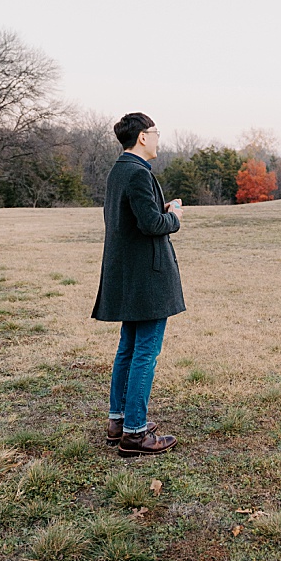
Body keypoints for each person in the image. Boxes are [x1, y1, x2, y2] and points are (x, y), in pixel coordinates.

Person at [93, 112, 186, 457]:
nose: (159, 138)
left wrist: (158, 209)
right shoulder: (137, 173)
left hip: (128, 275)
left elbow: (135, 218)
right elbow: (150, 225)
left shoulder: (121, 170)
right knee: (144, 351)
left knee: (128, 349)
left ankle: (119, 422)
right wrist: (173, 216)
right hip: (146, 278)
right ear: (143, 137)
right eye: (156, 132)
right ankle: (135, 433)